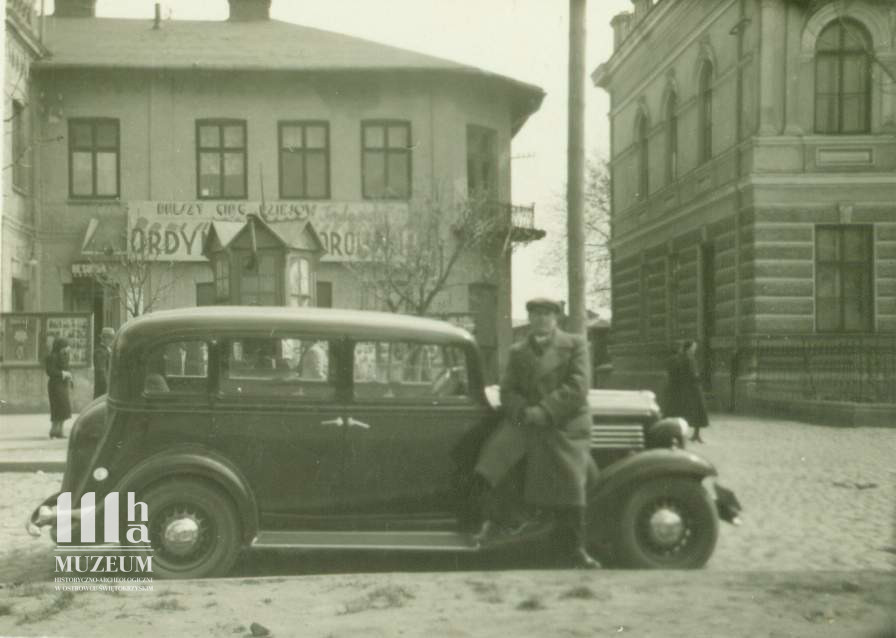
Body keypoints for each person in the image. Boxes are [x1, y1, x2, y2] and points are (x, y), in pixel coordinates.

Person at [470, 297, 600, 569]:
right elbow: (508, 390)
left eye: (547, 314)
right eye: (536, 314)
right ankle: (496, 524)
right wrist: (522, 412)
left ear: (557, 318)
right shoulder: (518, 351)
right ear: (529, 318)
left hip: (564, 422)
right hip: (527, 421)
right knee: (494, 459)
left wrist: (544, 411)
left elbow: (578, 387)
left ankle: (575, 548)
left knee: (571, 477)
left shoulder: (575, 345)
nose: (542, 319)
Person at [664, 340, 709, 443]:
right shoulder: (688, 358)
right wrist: (698, 377)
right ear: (689, 348)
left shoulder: (685, 358)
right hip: (693, 389)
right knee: (697, 411)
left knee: (689, 411)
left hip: (689, 388)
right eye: (694, 347)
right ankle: (694, 435)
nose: (695, 349)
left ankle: (694, 435)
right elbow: (691, 374)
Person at [46, 337, 73, 439]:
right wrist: (63, 373)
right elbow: (50, 372)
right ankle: (54, 430)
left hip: (63, 385)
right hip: (55, 385)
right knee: (57, 407)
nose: (67, 348)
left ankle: (59, 431)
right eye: (65, 346)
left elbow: (68, 369)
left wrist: (70, 377)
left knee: (64, 408)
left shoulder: (64, 356)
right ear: (60, 347)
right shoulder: (52, 357)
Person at [93, 327, 115, 399]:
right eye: (111, 338)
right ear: (105, 338)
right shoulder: (100, 351)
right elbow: (101, 371)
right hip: (103, 386)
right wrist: (107, 386)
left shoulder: (107, 350)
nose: (112, 341)